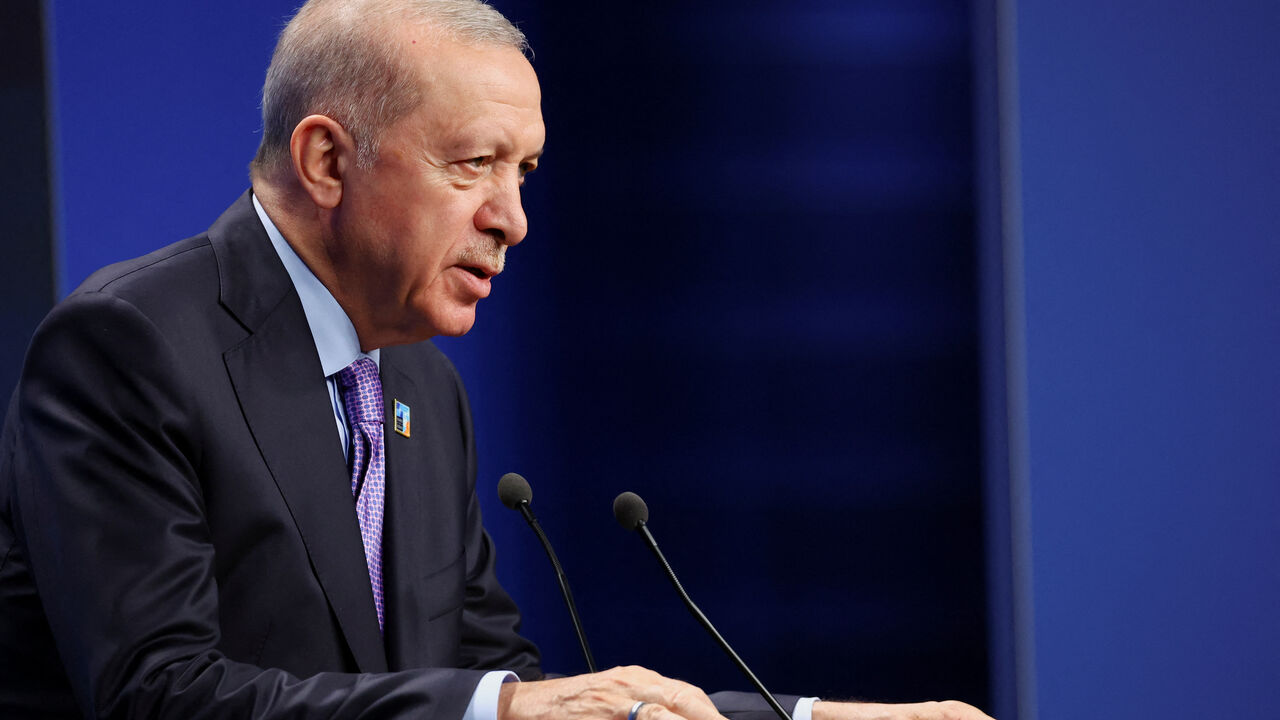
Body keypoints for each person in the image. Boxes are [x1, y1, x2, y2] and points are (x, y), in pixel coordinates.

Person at [0, 1, 994, 718]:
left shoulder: (418, 385)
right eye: (473, 163)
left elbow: (500, 686)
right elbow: (159, 693)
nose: (512, 219)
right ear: (327, 160)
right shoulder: (130, 347)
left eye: (523, 172)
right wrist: (506, 708)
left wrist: (800, 717)